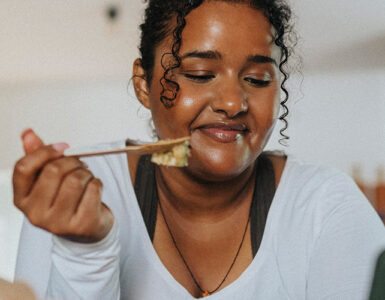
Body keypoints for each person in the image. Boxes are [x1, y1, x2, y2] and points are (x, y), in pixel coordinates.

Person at [13, 0, 385, 299]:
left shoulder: (326, 207)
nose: (232, 103)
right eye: (200, 74)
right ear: (143, 84)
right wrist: (85, 252)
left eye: (257, 79)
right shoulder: (75, 193)